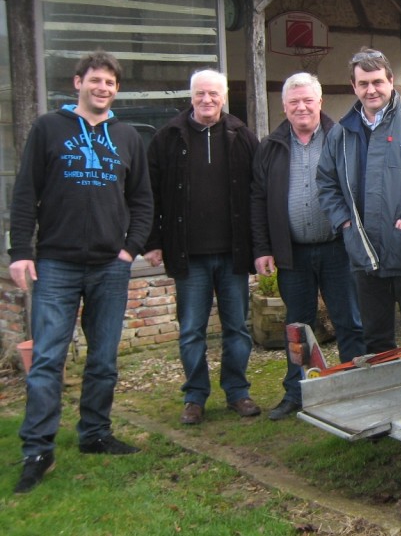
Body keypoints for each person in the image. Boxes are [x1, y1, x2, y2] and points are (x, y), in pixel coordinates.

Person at [9, 50, 153, 494]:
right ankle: (38, 449)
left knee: (104, 359)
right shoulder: (48, 128)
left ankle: (94, 433)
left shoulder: (127, 137)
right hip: (56, 262)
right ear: (78, 83)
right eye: (95, 80)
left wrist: (129, 251)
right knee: (48, 358)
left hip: (110, 266)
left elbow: (143, 201)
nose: (102, 87)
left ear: (116, 90)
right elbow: (25, 193)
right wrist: (20, 250)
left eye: (110, 82)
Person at [317, 48, 401, 354]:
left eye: (377, 81)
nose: (371, 89)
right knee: (377, 342)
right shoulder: (341, 134)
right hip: (364, 254)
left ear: (391, 81)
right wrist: (345, 222)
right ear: (354, 87)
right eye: (363, 83)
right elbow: (326, 183)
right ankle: (387, 400)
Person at [144, 69, 261, 425]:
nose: (207, 100)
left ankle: (237, 392)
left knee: (237, 329)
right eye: (200, 94)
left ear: (223, 96)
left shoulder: (242, 137)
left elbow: (258, 194)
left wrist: (259, 245)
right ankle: (195, 396)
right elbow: (150, 196)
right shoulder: (168, 138)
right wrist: (153, 242)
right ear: (191, 97)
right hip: (188, 254)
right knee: (192, 329)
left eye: (213, 94)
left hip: (232, 253)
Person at [252, 72, 364, 420]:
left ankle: (353, 389)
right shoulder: (270, 147)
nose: (301, 107)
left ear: (320, 103)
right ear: (284, 107)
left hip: (338, 249)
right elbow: (257, 200)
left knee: (349, 322)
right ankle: (297, 392)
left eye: (307, 100)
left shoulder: (342, 138)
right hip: (292, 253)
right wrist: (262, 248)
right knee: (297, 326)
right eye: (294, 102)